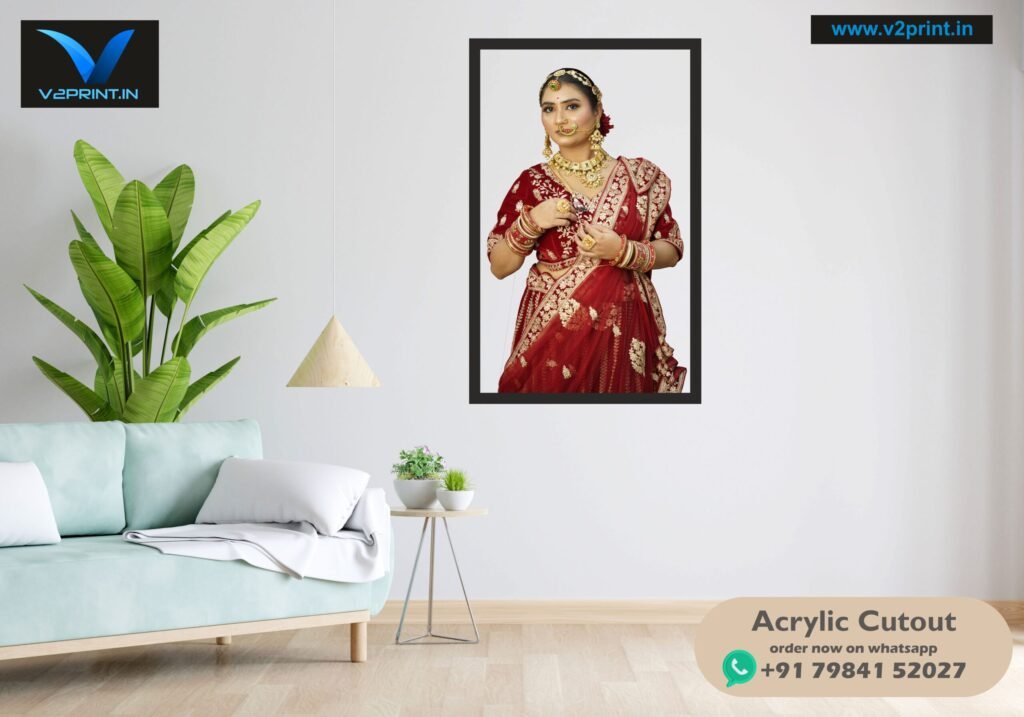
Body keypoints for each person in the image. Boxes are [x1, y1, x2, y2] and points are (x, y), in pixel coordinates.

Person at [487, 67, 687, 393]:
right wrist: (532, 220)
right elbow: (499, 266)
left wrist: (624, 251)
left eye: (571, 106)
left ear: (596, 111)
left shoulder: (640, 177)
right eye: (549, 109)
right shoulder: (531, 183)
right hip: (554, 337)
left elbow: (672, 247)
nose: (559, 118)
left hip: (624, 328)